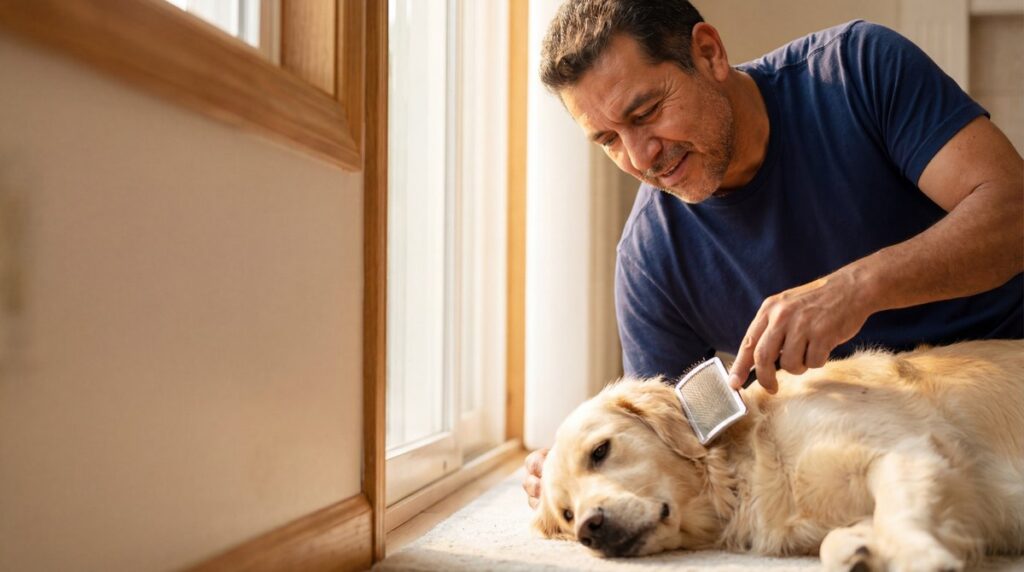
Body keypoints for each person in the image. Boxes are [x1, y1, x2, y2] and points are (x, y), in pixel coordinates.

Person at [523, 0, 1023, 509]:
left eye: (646, 112)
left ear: (709, 53)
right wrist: (578, 467)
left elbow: (1014, 211)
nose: (639, 157)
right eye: (609, 139)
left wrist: (856, 289)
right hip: (884, 479)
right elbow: (686, 439)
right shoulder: (650, 261)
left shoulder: (856, 69)